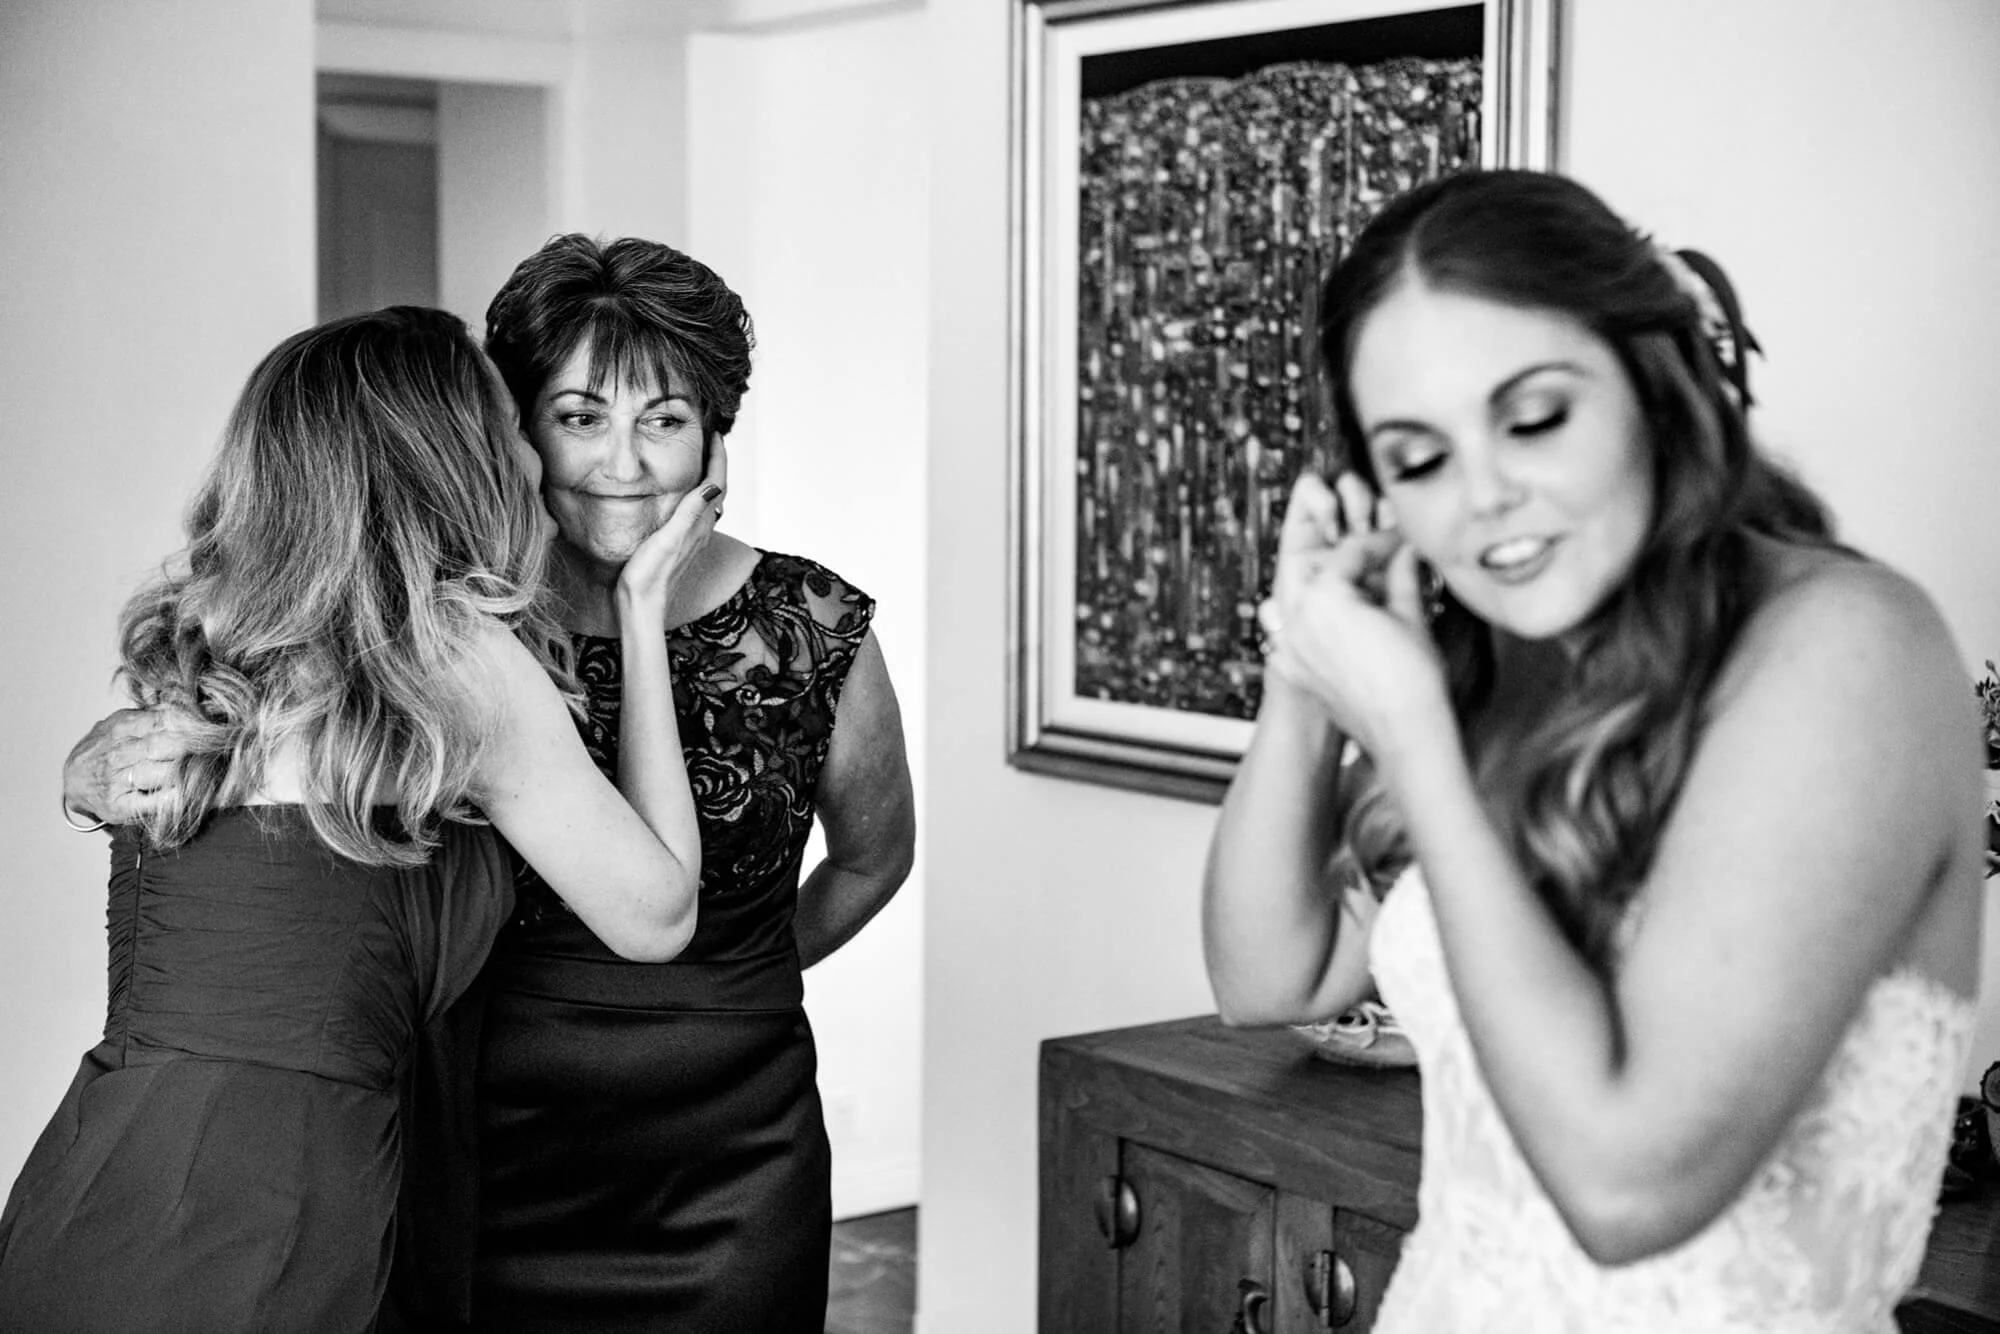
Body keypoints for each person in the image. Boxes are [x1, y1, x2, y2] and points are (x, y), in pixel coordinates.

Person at [66, 236, 916, 1331]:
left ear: (715, 435)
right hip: (475, 1134)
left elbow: (871, 859)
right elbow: (255, 737)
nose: (624, 463)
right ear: (514, 431)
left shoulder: (811, 623)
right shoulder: (440, 623)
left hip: (732, 1144)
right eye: (579, 417)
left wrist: (735, 981)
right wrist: (96, 761)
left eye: (664, 419)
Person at [1204, 169, 1982, 1331]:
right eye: (1418, 458)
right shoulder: (1520, 670)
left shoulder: (1846, 649)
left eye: (1532, 418)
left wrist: (1413, 731)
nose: (1483, 494)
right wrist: (1304, 676)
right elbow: (1267, 977)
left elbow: (1627, 1191)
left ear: (1650, 380)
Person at [5, 305, 714, 1332]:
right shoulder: (456, 661)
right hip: (274, 1209)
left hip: (97, 1176)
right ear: (452, 459)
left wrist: (77, 780)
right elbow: (658, 915)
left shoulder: (212, 644)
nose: (529, 454)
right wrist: (643, 615)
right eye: (509, 425)